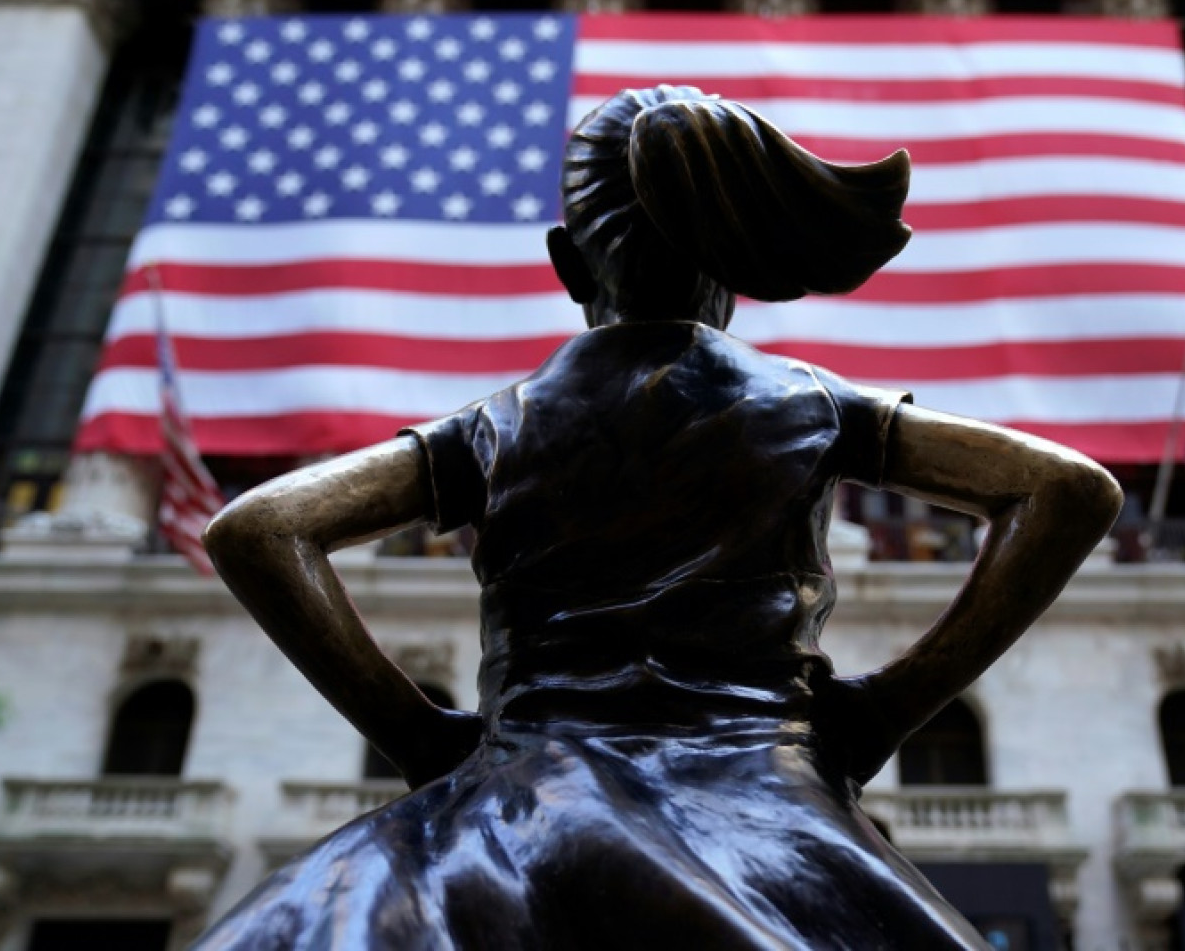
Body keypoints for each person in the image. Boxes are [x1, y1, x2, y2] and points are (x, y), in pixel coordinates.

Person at [197, 86, 1122, 950]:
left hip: (521, 803)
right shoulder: (814, 406)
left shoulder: (495, 429)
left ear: (568, 262)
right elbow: (1069, 490)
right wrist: (886, 710)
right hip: (764, 802)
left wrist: (416, 734)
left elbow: (260, 529)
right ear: (730, 260)